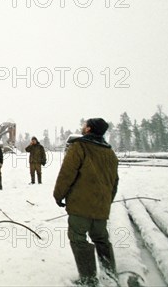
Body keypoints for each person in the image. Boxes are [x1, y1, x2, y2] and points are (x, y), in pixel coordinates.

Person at [53, 118, 119, 286]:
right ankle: (110, 274)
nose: (82, 127)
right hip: (101, 206)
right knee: (102, 239)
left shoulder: (79, 147)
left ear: (89, 129)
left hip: (81, 205)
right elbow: (114, 182)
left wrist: (58, 195)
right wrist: (106, 202)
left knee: (78, 239)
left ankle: (89, 280)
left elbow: (67, 174)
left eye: (85, 125)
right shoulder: (110, 152)